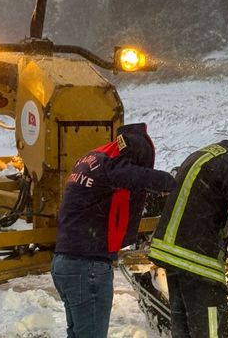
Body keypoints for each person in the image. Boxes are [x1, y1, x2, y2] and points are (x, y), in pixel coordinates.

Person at [51, 122, 176, 338]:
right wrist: (173, 183)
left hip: (66, 262)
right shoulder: (112, 166)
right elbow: (134, 176)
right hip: (87, 267)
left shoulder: (93, 159)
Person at [148, 128, 228, 338]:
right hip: (198, 257)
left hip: (169, 252)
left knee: (182, 326)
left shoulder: (207, 153)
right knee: (209, 328)